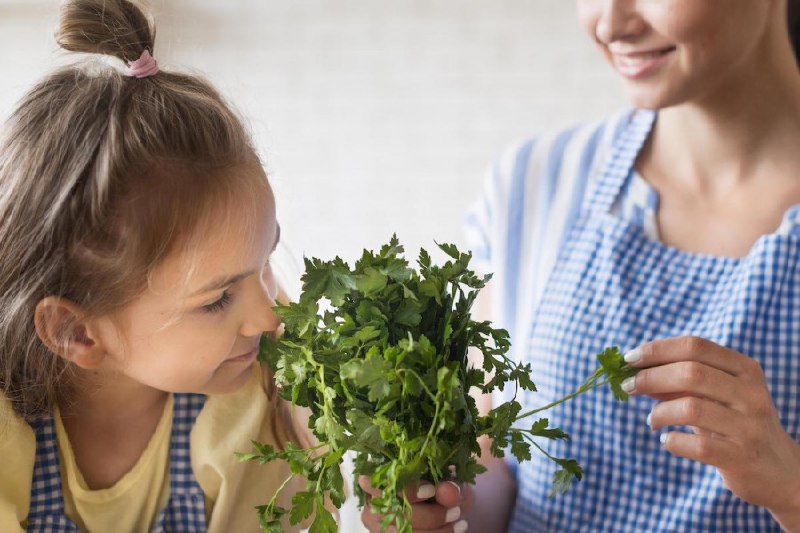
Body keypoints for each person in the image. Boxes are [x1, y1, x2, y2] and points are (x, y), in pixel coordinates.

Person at [361, 0, 800, 531]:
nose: (611, 24)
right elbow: (498, 459)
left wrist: (790, 486)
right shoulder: (534, 182)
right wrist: (448, 507)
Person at [0, 1, 310, 531]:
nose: (268, 319)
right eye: (216, 299)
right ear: (76, 331)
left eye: (264, 263)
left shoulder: (253, 414)